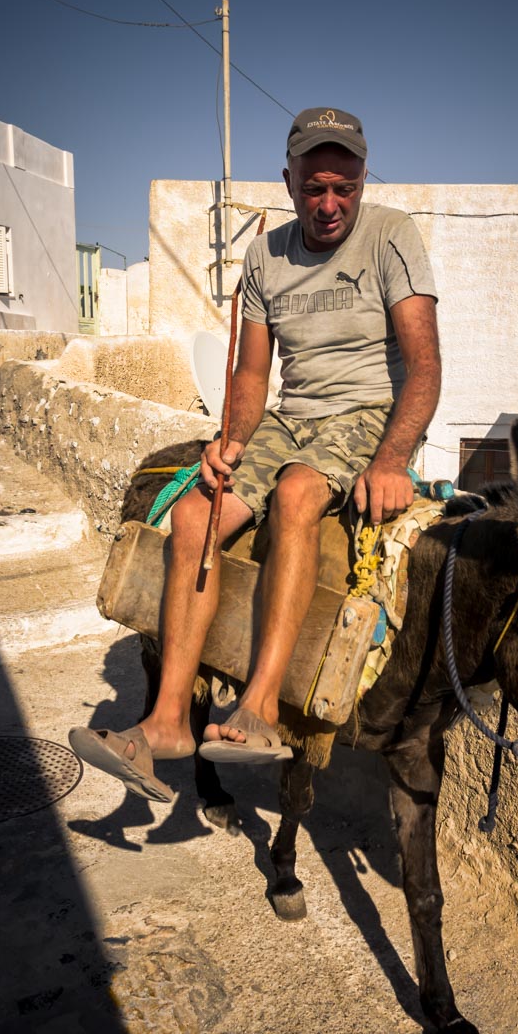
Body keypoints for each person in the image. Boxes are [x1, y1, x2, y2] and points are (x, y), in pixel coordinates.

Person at [70, 107, 441, 796]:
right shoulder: (263, 255)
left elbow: (423, 364)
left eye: (345, 186)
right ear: (289, 180)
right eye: (314, 187)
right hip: (289, 418)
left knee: (299, 494)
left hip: (364, 416)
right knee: (194, 516)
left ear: (362, 178)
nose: (330, 204)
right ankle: (167, 723)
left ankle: (263, 708)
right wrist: (231, 440)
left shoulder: (393, 236)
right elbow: (250, 374)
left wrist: (391, 461)